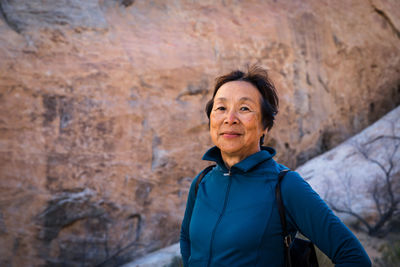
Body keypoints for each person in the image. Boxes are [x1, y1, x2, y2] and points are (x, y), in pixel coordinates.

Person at [179, 65, 371, 267]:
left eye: (244, 108)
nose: (230, 119)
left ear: (265, 126)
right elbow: (187, 240)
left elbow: (354, 258)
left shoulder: (285, 185)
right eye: (221, 108)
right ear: (211, 119)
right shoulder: (202, 182)